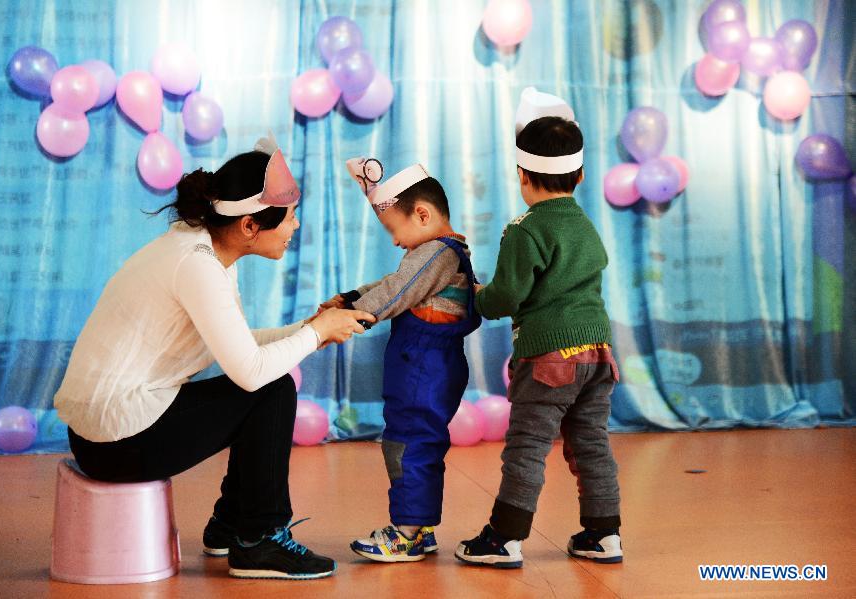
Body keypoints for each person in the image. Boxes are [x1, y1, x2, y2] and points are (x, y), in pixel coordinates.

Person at [54, 134, 375, 580]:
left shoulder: (201, 249)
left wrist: (311, 331)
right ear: (249, 226)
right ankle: (259, 539)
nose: (296, 226)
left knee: (268, 387)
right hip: (115, 442)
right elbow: (248, 371)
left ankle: (230, 526)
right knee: (272, 390)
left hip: (103, 431)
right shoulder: (198, 265)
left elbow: (237, 343)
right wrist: (316, 332)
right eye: (289, 217)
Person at [456, 88, 622, 568]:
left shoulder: (525, 229)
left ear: (521, 175)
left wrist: (476, 292)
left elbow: (504, 298)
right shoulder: (585, 225)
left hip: (548, 356)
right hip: (597, 354)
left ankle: (504, 539)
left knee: (527, 446)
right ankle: (603, 534)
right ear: (582, 174)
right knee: (591, 444)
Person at [320, 157, 480, 562]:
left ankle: (406, 531)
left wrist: (353, 315)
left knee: (409, 443)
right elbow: (393, 285)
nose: (394, 241)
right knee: (417, 442)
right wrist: (351, 298)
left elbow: (395, 290)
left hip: (423, 368)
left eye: (394, 230)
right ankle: (419, 525)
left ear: (422, 214)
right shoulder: (442, 253)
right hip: (425, 365)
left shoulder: (435, 253)